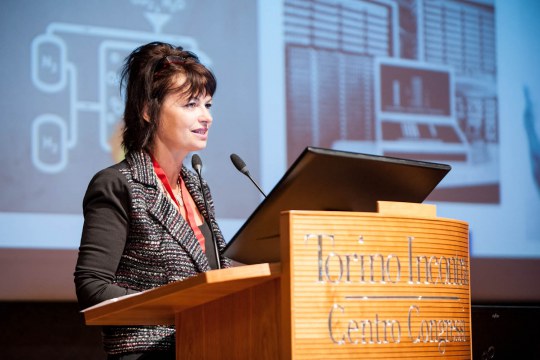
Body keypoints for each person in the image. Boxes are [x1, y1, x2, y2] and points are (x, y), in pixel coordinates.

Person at [74, 41, 231, 359]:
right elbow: (92, 286)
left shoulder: (197, 187)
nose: (206, 117)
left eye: (208, 105)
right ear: (148, 110)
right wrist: (183, 307)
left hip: (207, 346)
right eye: (190, 104)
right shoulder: (119, 184)